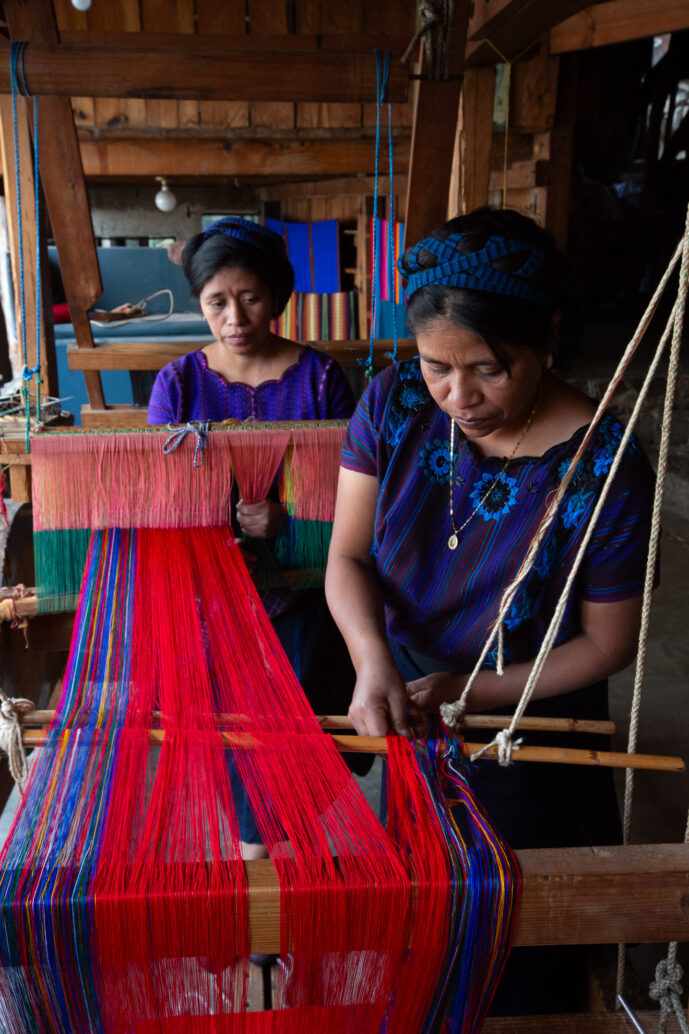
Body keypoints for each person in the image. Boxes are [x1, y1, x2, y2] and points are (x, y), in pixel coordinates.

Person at [325, 207, 656, 1013]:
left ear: (547, 336)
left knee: (521, 927)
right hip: (405, 688)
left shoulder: (600, 463)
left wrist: (473, 693)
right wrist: (373, 665)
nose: (457, 395)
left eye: (489, 369)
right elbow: (346, 557)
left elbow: (606, 644)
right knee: (428, 897)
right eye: (437, 365)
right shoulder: (393, 403)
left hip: (532, 716)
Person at [149, 216, 358, 861]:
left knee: (291, 731)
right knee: (230, 729)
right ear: (200, 304)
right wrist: (223, 518)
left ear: (277, 298)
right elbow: (160, 494)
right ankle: (256, 859)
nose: (234, 318)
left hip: (301, 593)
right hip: (213, 596)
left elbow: (353, 492)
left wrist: (288, 518)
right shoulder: (178, 384)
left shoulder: (318, 380)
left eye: (251, 299)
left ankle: (270, 855)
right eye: (217, 302)